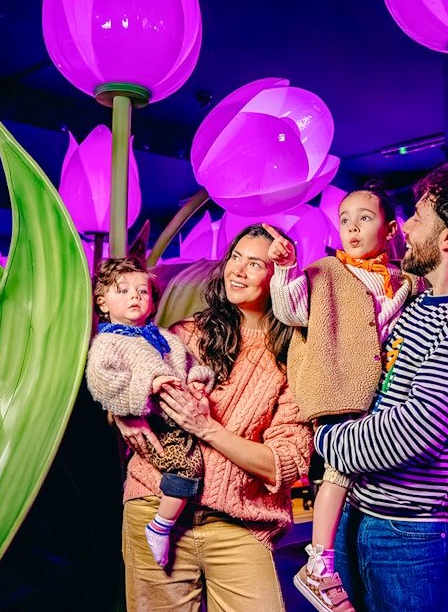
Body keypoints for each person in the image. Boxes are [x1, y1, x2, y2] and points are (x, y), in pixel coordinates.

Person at [315, 163, 448, 612]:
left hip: (412, 535)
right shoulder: (419, 301)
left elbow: (409, 433)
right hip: (364, 512)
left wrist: (322, 434)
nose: (404, 228)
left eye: (418, 218)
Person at [112, 224, 313, 612]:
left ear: (280, 275)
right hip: (153, 505)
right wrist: (120, 410)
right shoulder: (185, 335)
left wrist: (207, 429)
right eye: (235, 257)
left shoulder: (293, 357)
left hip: (239, 525)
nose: (237, 270)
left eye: (254, 263)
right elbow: (123, 372)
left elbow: (283, 464)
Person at [263, 181, 419, 612]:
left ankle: (340, 559)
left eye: (364, 219)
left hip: (383, 395)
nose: (351, 228)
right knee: (338, 468)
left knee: (357, 476)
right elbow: (291, 311)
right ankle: (318, 561)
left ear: (390, 230)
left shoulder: (407, 280)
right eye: (344, 220)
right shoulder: (325, 271)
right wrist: (286, 270)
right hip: (337, 387)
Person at [85, 257, 215, 567]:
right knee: (185, 466)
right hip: (156, 424)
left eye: (143, 292)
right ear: (102, 303)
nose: (135, 297)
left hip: (181, 416)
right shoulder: (107, 343)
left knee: (201, 460)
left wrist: (197, 379)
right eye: (123, 291)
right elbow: (101, 381)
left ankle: (171, 519)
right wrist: (149, 383)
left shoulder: (165, 337)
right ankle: (160, 526)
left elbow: (188, 365)